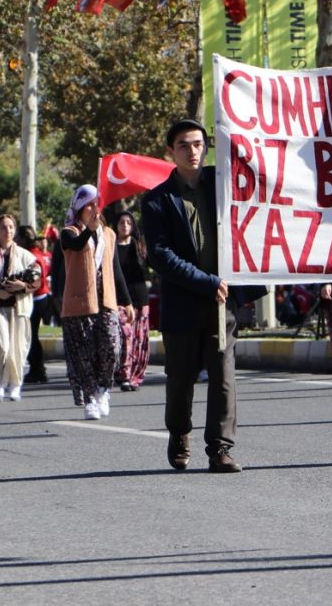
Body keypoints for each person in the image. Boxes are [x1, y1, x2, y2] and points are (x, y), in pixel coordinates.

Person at [141, 118, 265, 473]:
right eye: (183, 145)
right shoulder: (156, 201)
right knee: (180, 379)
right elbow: (161, 256)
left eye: (198, 144)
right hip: (183, 302)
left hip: (221, 303)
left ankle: (220, 448)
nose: (192, 151)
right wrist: (205, 281)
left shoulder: (224, 186)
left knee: (224, 376)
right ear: (170, 152)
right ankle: (179, 434)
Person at [59, 186, 132, 419]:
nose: (93, 209)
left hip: (106, 301)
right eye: (88, 205)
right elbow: (77, 245)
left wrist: (127, 301)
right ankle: (90, 398)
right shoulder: (69, 232)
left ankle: (103, 389)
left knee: (112, 346)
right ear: (79, 208)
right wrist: (89, 231)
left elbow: (116, 269)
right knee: (85, 354)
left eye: (96, 204)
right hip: (79, 303)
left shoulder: (108, 234)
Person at [0, 214, 41, 401]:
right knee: (1, 346)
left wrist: (24, 287)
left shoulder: (25, 256)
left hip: (19, 308)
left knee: (17, 349)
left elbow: (38, 280)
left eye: (11, 227)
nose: (8, 231)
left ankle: (15, 385)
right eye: (4, 227)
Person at [114, 210, 150, 392]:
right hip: (120, 299)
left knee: (140, 340)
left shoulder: (140, 246)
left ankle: (136, 376)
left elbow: (153, 265)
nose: (125, 225)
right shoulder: (110, 247)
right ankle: (124, 374)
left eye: (128, 222)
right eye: (121, 222)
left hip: (140, 298)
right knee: (125, 336)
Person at [19, 226, 50, 385]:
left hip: (36, 299)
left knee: (30, 337)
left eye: (18, 237)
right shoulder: (36, 253)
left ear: (24, 238)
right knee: (31, 336)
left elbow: (36, 280)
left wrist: (22, 287)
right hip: (39, 298)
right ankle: (37, 369)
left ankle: (38, 370)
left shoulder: (30, 255)